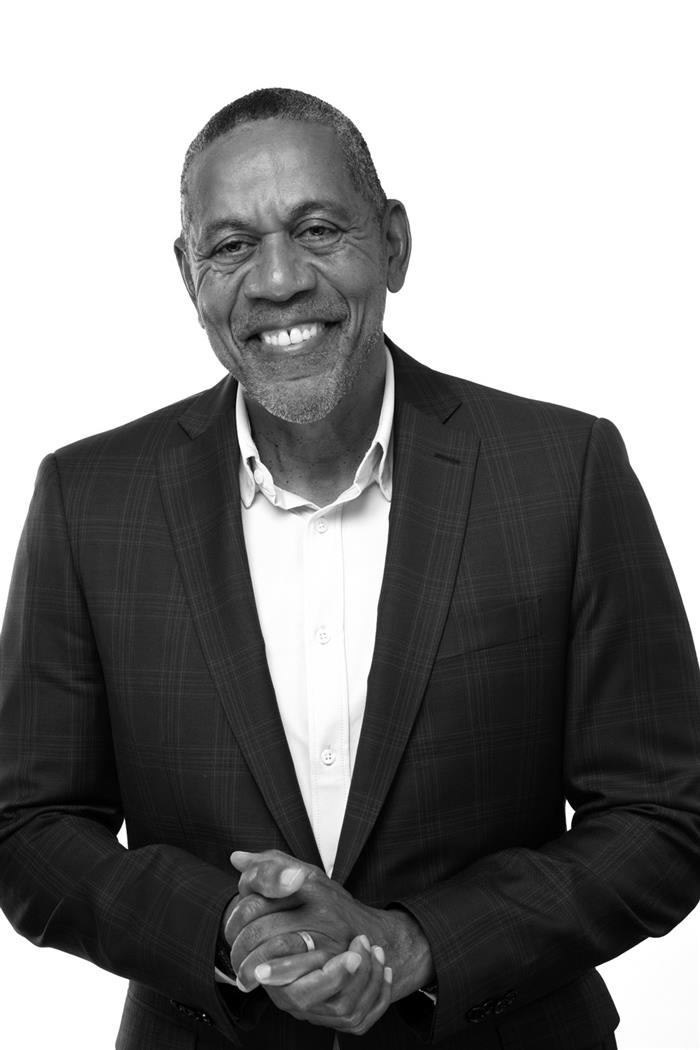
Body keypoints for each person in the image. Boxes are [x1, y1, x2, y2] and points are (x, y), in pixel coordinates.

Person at [0, 87, 699, 1050]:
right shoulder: (90, 500)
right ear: (188, 275)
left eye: (318, 230)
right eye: (231, 245)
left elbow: (665, 816)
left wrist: (415, 945)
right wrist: (230, 930)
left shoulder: (563, 472)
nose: (278, 280)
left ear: (395, 244)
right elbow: (28, 826)